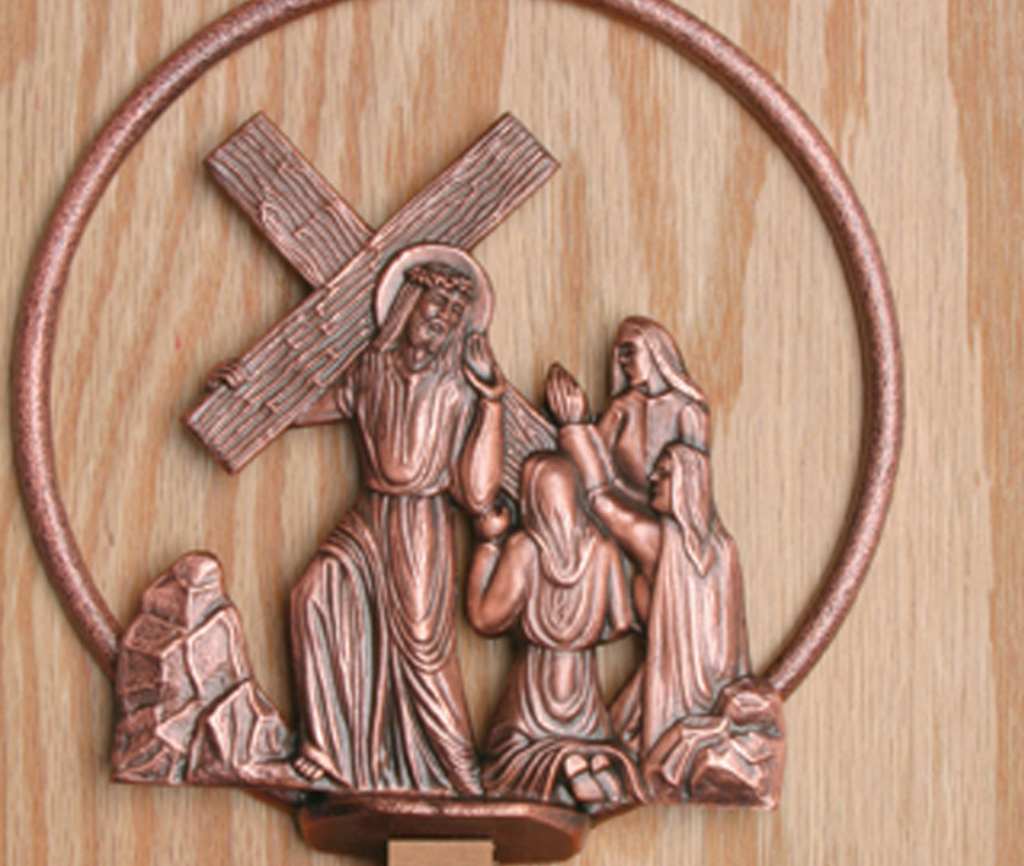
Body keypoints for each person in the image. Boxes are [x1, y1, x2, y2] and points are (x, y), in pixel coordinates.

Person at [288, 246, 505, 794]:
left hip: (420, 521)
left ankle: (460, 772)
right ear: (408, 305)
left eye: (454, 314)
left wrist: (493, 403)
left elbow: (477, 493)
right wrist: (249, 398)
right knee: (313, 593)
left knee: (423, 648)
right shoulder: (372, 368)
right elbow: (313, 407)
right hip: (370, 515)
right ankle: (332, 748)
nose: (443, 320)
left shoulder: (458, 386)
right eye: (436, 306)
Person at [547, 362, 752, 791]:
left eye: (665, 472)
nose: (653, 477)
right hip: (696, 693)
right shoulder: (722, 548)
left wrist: (573, 427)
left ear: (687, 486)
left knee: (611, 744)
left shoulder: (661, 542)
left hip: (670, 698)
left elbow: (601, 499)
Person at [465, 454, 640, 810]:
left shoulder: (525, 548)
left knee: (508, 764)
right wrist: (584, 636)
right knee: (589, 740)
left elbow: (485, 619)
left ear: (531, 497)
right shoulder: (603, 549)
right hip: (583, 687)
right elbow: (622, 622)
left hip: (535, 683)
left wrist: (487, 545)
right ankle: (591, 763)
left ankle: (565, 765)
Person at [596, 317, 710, 507]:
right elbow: (593, 461)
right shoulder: (620, 408)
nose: (622, 361)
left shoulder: (687, 410)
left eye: (629, 351)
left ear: (655, 351)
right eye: (620, 354)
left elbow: (694, 487)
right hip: (620, 507)